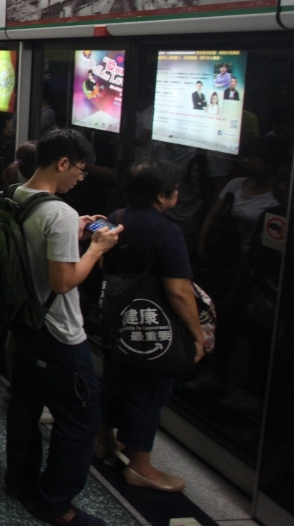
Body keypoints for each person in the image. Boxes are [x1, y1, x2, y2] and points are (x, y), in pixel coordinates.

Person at [4, 128, 121, 526]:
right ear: (63, 163)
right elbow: (63, 281)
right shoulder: (59, 213)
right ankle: (54, 503)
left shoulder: (17, 195)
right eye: (80, 170)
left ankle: (18, 480)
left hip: (25, 321)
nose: (81, 178)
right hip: (59, 331)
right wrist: (96, 249)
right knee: (81, 419)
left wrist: (74, 232)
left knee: (25, 403)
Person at [96, 159, 204, 493]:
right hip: (151, 323)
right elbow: (179, 290)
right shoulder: (167, 232)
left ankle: (102, 440)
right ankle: (140, 467)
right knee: (149, 392)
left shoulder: (117, 217)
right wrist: (197, 335)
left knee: (114, 380)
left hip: (116, 316)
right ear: (162, 195)